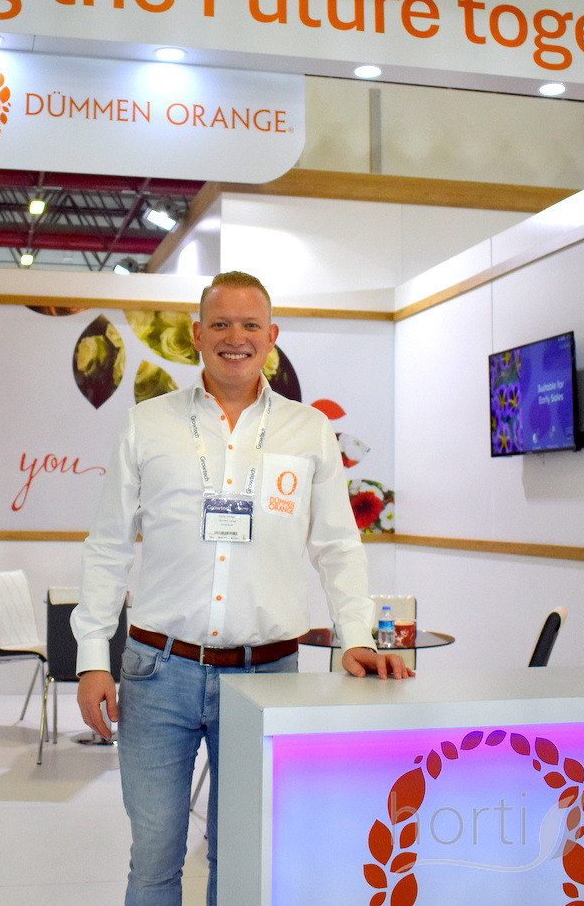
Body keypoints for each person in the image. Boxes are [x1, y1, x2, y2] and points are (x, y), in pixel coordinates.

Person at [72, 271, 413, 906]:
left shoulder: (308, 430)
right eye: (221, 324)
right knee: (154, 860)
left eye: (251, 324)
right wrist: (93, 657)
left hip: (267, 677)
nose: (236, 337)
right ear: (196, 336)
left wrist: (357, 639)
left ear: (272, 336)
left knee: (242, 861)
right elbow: (109, 546)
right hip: (157, 672)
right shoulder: (147, 424)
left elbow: (338, 546)